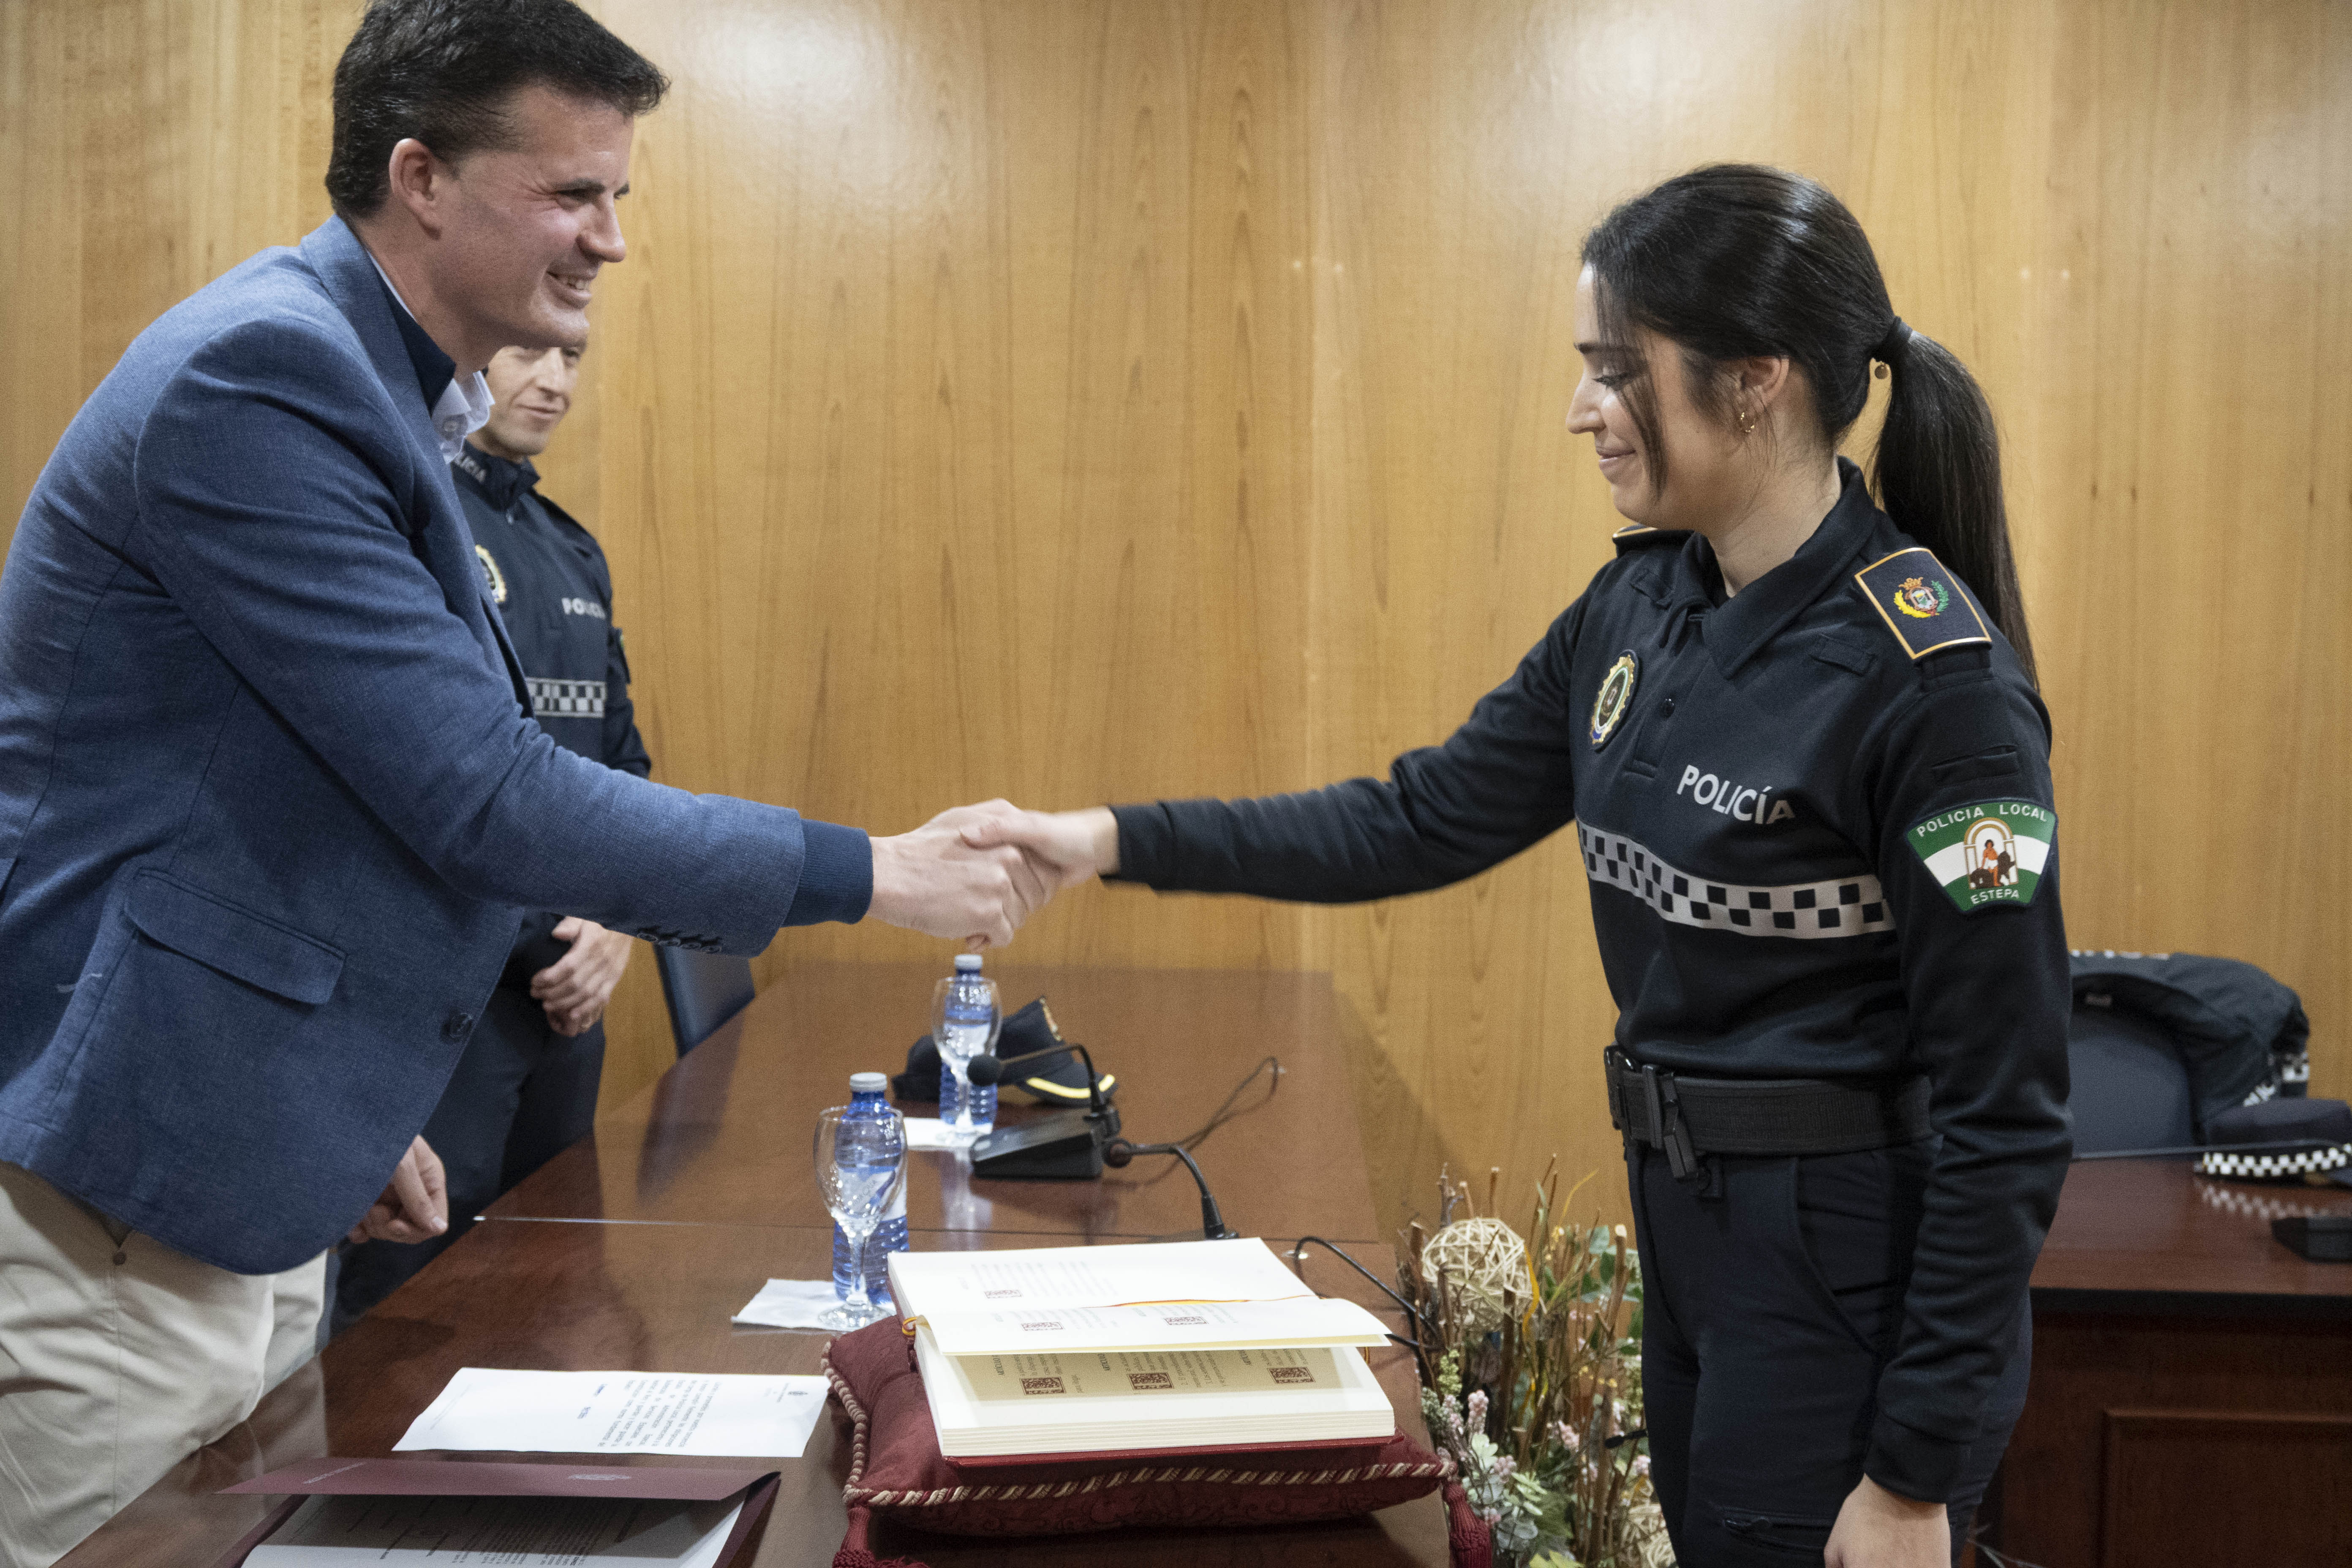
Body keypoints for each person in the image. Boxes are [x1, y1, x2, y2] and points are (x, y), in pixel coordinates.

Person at [0, 3, 1051, 1561]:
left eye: (616, 196)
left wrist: (334, 1101)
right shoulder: (264, 379)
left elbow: (301, 797)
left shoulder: (373, 386)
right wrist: (877, 870)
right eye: (574, 193)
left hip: (232, 1153)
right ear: (421, 178)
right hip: (119, 1181)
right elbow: (482, 795)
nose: (609, 239)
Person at [972, 165, 2070, 1568]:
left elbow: (2006, 1113)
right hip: (1689, 1228)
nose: (1579, 409)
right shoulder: (1641, 605)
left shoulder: (1931, 687)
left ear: (1755, 382)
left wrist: (1912, 1474)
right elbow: (1414, 818)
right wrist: (1108, 840)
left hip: (1838, 1262)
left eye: (1617, 371)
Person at [331, 340, 644, 1334]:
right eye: (525, 352)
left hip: (566, 1005)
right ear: (469, 362)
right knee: (407, 1320)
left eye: (574, 356)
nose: (553, 378)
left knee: (549, 1295)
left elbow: (624, 769)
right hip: (442, 1006)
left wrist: (618, 923)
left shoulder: (573, 548)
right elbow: (403, 776)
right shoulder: (416, 520)